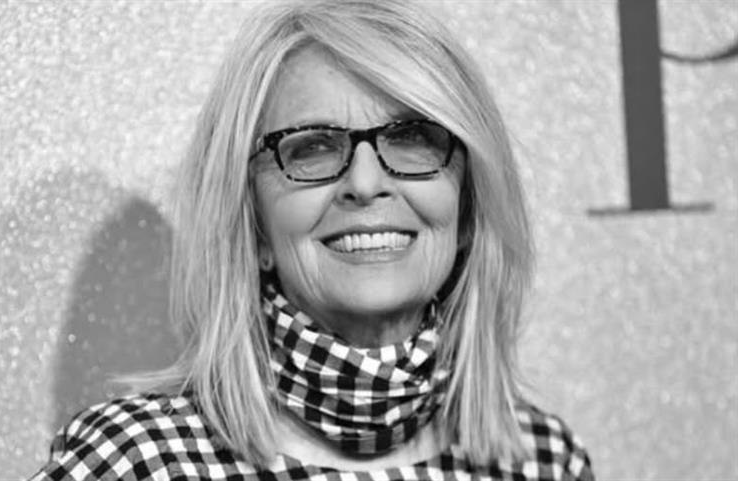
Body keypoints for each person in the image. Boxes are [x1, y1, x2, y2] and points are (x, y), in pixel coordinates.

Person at [30, 0, 594, 479]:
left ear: (468, 206)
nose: (366, 184)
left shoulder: (542, 461)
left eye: (413, 138)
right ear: (252, 221)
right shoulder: (136, 461)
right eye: (312, 148)